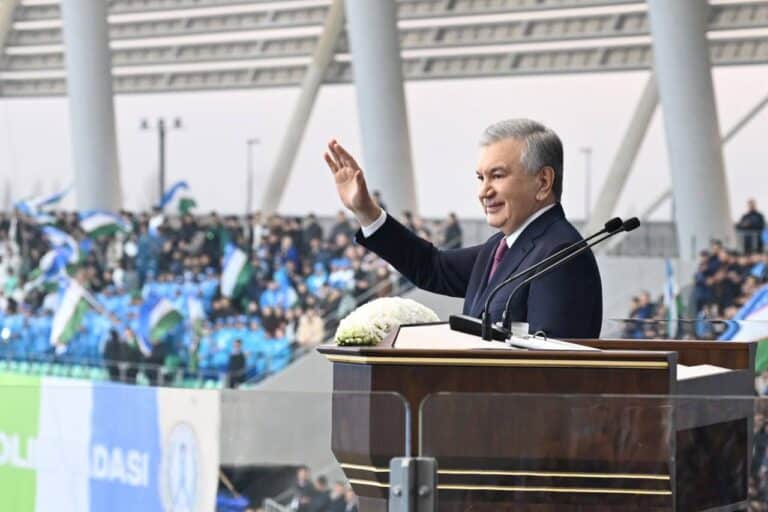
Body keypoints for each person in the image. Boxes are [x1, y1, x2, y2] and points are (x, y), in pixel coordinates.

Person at [323, 118, 602, 338]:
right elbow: (432, 267)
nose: (484, 192)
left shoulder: (560, 255)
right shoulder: (501, 246)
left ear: (543, 182)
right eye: (481, 178)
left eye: (498, 175)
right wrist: (366, 211)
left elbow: (553, 371)